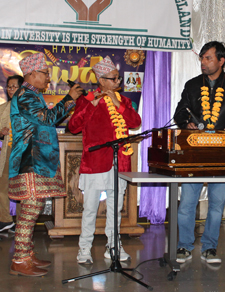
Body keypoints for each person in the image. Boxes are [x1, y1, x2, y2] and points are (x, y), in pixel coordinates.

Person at [173, 41, 225, 264]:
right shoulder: (192, 85)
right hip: (194, 153)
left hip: (222, 152)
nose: (203, 62)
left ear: (221, 61)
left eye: (208, 58)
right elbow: (179, 111)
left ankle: (210, 247)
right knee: (187, 202)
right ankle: (184, 246)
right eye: (202, 58)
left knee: (216, 204)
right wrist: (185, 122)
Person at [8, 53, 81, 276]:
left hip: (38, 161)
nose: (49, 78)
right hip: (30, 160)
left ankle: (27, 254)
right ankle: (19, 260)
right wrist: (69, 99)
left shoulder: (33, 94)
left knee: (34, 208)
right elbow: (48, 119)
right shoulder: (26, 96)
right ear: (31, 74)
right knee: (30, 210)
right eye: (45, 73)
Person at [68, 56, 142, 264]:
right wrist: (92, 104)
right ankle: (84, 249)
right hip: (95, 163)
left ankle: (113, 246)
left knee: (115, 208)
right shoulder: (86, 100)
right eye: (114, 79)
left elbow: (136, 122)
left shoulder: (124, 100)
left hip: (119, 164)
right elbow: (73, 127)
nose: (118, 83)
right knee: (90, 208)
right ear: (101, 80)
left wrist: (118, 103)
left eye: (118, 79)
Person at [0, 75, 23, 233]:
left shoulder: (28, 107)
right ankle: (5, 220)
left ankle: (23, 224)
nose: (10, 90)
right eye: (9, 87)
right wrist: (1, 132)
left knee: (22, 188)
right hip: (8, 151)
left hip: (23, 151)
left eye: (14, 87)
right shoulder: (3, 108)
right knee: (2, 187)